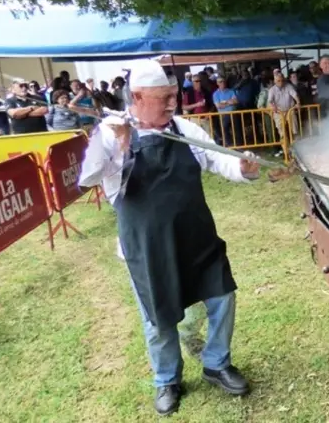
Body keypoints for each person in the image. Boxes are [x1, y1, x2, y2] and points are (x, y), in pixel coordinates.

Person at [78, 59, 261, 416]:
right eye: (161, 99)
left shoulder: (184, 129)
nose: (169, 105)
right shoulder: (111, 134)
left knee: (222, 295)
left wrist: (242, 169)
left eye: (172, 97)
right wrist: (116, 143)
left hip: (195, 237)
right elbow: (87, 178)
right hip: (146, 247)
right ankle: (166, 380)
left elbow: (217, 159)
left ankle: (216, 363)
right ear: (137, 96)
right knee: (158, 318)